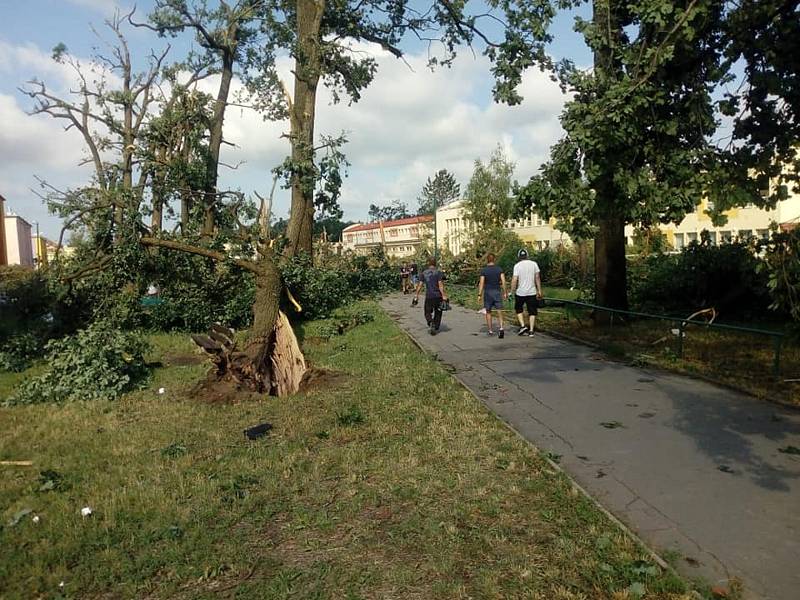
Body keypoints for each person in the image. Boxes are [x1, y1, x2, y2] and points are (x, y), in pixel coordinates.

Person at [510, 248, 542, 337]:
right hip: (532, 292)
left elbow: (514, 279)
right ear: (527, 255)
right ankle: (531, 330)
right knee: (532, 311)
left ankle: (523, 326)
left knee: (518, 309)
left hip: (520, 292)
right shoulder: (534, 264)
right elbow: (537, 278)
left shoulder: (517, 266)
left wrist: (511, 291)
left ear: (519, 256)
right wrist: (539, 290)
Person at [414, 257, 449, 335]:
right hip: (438, 296)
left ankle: (430, 322)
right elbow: (440, 284)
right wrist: (443, 295)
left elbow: (420, 285)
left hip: (429, 296)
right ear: (435, 263)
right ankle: (436, 325)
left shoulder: (424, 273)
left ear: (428, 263)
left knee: (427, 311)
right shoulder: (438, 273)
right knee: (438, 311)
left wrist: (416, 295)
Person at [477, 253, 507, 338]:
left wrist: (479, 294)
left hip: (488, 293)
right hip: (497, 292)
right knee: (499, 310)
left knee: (488, 311)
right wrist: (505, 292)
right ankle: (501, 328)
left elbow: (481, 283)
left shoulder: (484, 270)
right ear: (494, 260)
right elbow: (503, 281)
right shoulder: (499, 269)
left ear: (487, 260)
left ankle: (490, 330)